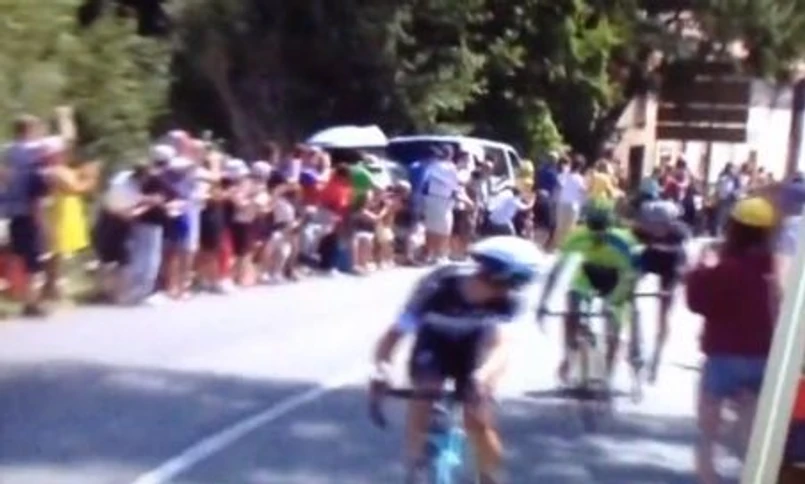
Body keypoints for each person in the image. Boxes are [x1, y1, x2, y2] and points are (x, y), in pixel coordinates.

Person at [370, 236, 547, 484]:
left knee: (478, 419)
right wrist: (382, 368)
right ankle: (413, 466)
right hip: (434, 342)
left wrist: (482, 378)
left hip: (475, 348)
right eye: (514, 283)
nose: (513, 291)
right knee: (425, 393)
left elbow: (501, 346)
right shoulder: (437, 287)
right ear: (498, 277)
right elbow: (395, 334)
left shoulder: (509, 301)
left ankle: (490, 476)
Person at [686, 197, 779, 484]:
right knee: (753, 424)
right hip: (765, 357)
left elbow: (697, 301)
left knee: (708, 425)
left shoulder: (726, 267)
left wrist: (700, 268)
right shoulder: (773, 267)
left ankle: (708, 474)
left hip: (723, 356)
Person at [536, 199, 641, 383]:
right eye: (593, 230)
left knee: (614, 325)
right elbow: (556, 271)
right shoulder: (578, 236)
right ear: (587, 225)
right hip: (589, 274)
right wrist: (543, 303)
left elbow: (631, 278)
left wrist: (614, 302)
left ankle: (610, 370)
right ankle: (569, 354)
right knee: (572, 301)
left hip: (617, 278)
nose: (597, 235)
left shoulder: (624, 241)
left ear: (611, 226)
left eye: (602, 230)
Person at [630, 198, 690, 383]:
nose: (655, 229)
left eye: (660, 225)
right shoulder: (641, 230)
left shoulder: (679, 233)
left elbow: (681, 266)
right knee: (629, 287)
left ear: (669, 223)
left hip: (672, 264)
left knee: (664, 311)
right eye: (652, 224)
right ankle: (634, 340)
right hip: (651, 257)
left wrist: (670, 290)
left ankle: (657, 354)